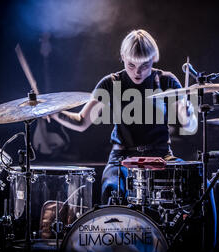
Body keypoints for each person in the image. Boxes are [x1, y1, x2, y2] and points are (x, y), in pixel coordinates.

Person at [51, 29, 198, 204]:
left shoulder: (166, 80)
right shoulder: (110, 83)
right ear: (123, 57)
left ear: (154, 58)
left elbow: (189, 125)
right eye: (131, 65)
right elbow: (82, 121)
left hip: (161, 156)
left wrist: (187, 115)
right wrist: (54, 112)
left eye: (145, 65)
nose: (138, 72)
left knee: (200, 183)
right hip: (122, 158)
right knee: (112, 190)